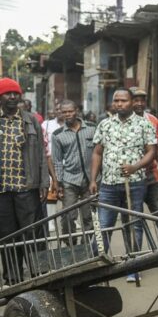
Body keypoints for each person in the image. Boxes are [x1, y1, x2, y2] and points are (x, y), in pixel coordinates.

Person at [89, 88, 157, 282]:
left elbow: (151, 151)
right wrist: (93, 179)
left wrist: (135, 166)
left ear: (131, 102)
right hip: (108, 185)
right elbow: (97, 153)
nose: (119, 104)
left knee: (133, 224)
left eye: (123, 101)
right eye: (116, 100)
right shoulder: (105, 124)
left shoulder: (144, 124)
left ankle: (133, 266)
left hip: (134, 184)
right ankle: (96, 267)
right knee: (103, 226)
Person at [0, 78, 49, 284]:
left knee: (32, 233)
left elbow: (41, 153)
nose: (12, 97)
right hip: (2, 190)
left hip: (26, 188)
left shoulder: (31, 121)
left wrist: (44, 182)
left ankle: (40, 275)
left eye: (15, 93)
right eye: (7, 94)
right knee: (7, 235)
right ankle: (13, 278)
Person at [131, 87, 158, 249]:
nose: (139, 104)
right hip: (131, 178)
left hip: (151, 177)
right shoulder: (120, 122)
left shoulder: (154, 121)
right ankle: (133, 261)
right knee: (133, 218)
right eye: (136, 100)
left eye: (142, 100)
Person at [51, 100, 96, 245]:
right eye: (64, 112)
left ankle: (86, 247)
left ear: (76, 110)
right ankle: (71, 246)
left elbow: (99, 153)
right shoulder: (58, 135)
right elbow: (57, 160)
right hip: (70, 180)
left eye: (70, 111)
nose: (67, 114)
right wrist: (58, 182)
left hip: (91, 180)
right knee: (68, 216)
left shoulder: (91, 128)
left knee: (89, 216)